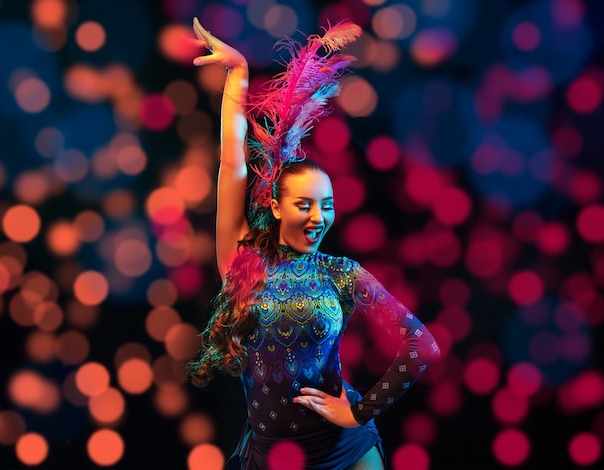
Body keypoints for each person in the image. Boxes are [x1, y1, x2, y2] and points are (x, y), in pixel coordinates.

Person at [186, 17, 440, 470]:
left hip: (347, 449)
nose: (319, 217)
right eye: (305, 204)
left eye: (327, 206)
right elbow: (232, 164)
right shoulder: (242, 258)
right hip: (275, 455)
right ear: (279, 207)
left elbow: (422, 345)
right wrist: (239, 73)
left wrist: (359, 412)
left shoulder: (341, 273)